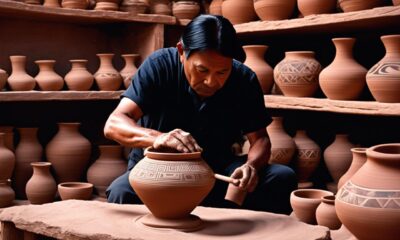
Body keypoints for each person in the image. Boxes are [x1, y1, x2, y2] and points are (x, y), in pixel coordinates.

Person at [104, 14, 297, 215]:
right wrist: (159, 137)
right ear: (181, 51)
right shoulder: (159, 66)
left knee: (282, 177)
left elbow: (260, 140)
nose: (211, 82)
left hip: (215, 173)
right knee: (121, 192)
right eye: (202, 70)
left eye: (222, 72)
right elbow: (114, 124)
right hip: (160, 171)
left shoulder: (243, 79)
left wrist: (252, 166)